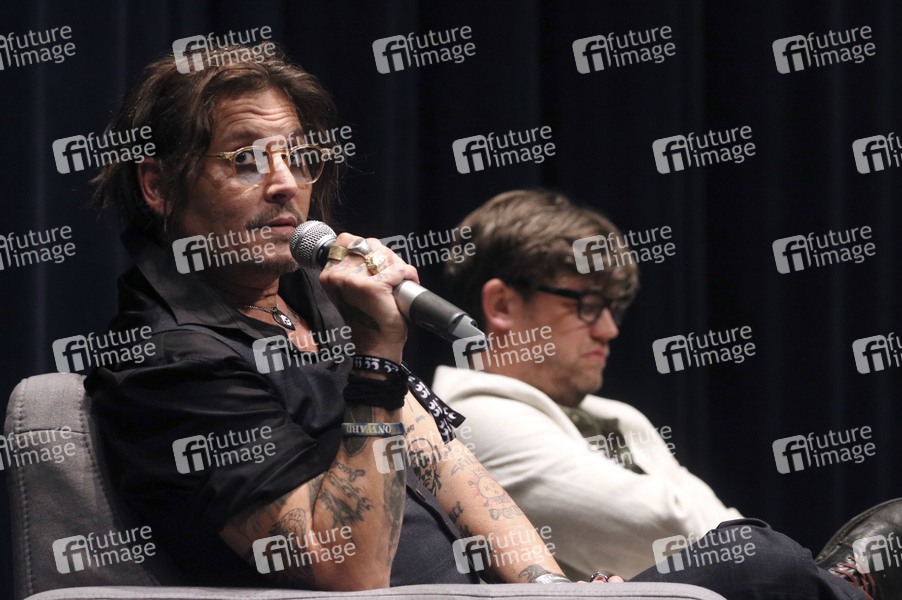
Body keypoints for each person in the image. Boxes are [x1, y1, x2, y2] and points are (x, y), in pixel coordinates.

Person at [84, 45, 875, 599]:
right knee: (763, 567)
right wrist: (380, 356)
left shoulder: (310, 301)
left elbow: (443, 462)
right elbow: (346, 573)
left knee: (749, 552)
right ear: (158, 184)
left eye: (299, 157)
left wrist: (550, 588)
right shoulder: (166, 354)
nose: (287, 185)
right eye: (246, 159)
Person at [432, 189, 899, 598]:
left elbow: (722, 530)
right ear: (503, 304)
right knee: (764, 559)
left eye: (612, 308)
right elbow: (674, 532)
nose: (609, 330)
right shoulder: (465, 418)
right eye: (587, 304)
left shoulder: (618, 415)